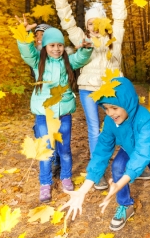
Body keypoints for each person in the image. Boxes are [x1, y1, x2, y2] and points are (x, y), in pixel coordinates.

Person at [48, 0, 150, 189]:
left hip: (111, 88)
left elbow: (120, 17)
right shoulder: (80, 39)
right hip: (87, 89)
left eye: (97, 22)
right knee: (95, 129)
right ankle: (99, 173)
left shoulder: (115, 39)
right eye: (89, 23)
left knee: (124, 124)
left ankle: (137, 164)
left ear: (104, 22)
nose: (93, 26)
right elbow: (68, 22)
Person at [60, 77, 150, 231]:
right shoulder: (110, 121)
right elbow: (102, 151)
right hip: (128, 149)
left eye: (114, 108)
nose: (110, 113)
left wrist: (119, 184)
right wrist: (83, 190)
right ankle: (125, 205)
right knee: (117, 166)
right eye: (106, 108)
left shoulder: (144, 118)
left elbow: (143, 152)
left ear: (126, 103)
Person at [15, 25, 93, 202]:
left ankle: (65, 177)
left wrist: (87, 48)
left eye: (59, 45)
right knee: (46, 150)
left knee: (64, 150)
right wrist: (24, 35)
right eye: (52, 45)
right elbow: (27, 52)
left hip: (63, 113)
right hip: (44, 114)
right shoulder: (38, 62)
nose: (56, 49)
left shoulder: (68, 62)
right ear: (45, 47)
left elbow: (80, 58)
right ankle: (45, 183)